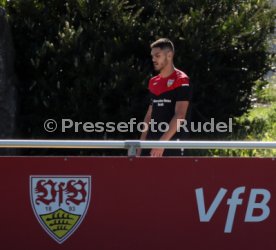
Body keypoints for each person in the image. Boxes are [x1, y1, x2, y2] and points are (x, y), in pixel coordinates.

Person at [137, 38, 191, 157]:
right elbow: (149, 116)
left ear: (169, 55)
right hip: (151, 144)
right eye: (152, 56)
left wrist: (161, 143)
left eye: (157, 55)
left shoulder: (182, 79)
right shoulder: (153, 82)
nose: (154, 59)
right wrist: (140, 146)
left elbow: (180, 115)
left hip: (171, 145)